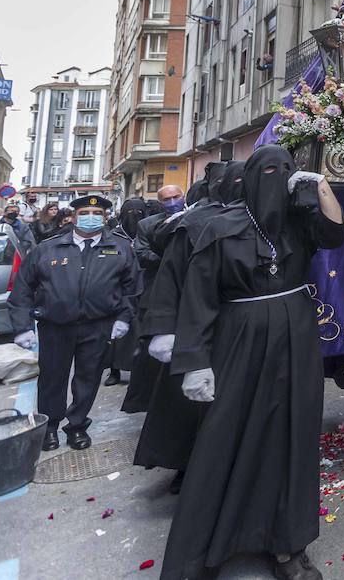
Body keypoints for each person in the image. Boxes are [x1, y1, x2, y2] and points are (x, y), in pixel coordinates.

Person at [159, 146, 344, 580]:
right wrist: (194, 362)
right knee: (226, 436)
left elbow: (337, 233)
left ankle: (289, 545)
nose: (275, 179)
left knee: (293, 438)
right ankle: (204, 550)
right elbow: (199, 299)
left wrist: (320, 184)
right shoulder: (220, 229)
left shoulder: (299, 227)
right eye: (267, 171)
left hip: (296, 342)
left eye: (285, 172)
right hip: (240, 343)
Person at [133, 162, 238, 491]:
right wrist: (166, 328)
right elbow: (171, 277)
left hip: (227, 322)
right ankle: (183, 465)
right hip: (192, 324)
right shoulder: (191, 223)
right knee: (188, 403)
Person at [9, 195, 140, 452]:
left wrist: (124, 318)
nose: (90, 217)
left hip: (98, 326)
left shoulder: (121, 248)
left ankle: (77, 425)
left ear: (104, 218)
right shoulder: (48, 248)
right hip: (55, 326)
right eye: (85, 212)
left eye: (97, 212)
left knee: (88, 378)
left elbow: (132, 288)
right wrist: (22, 327)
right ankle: (49, 427)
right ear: (74, 216)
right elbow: (23, 288)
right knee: (51, 379)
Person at [102, 198, 152, 388]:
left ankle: (139, 370)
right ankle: (114, 370)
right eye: (130, 213)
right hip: (119, 289)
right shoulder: (113, 236)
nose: (134, 217)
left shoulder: (147, 231)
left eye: (138, 213)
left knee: (140, 332)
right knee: (116, 333)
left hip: (145, 287)